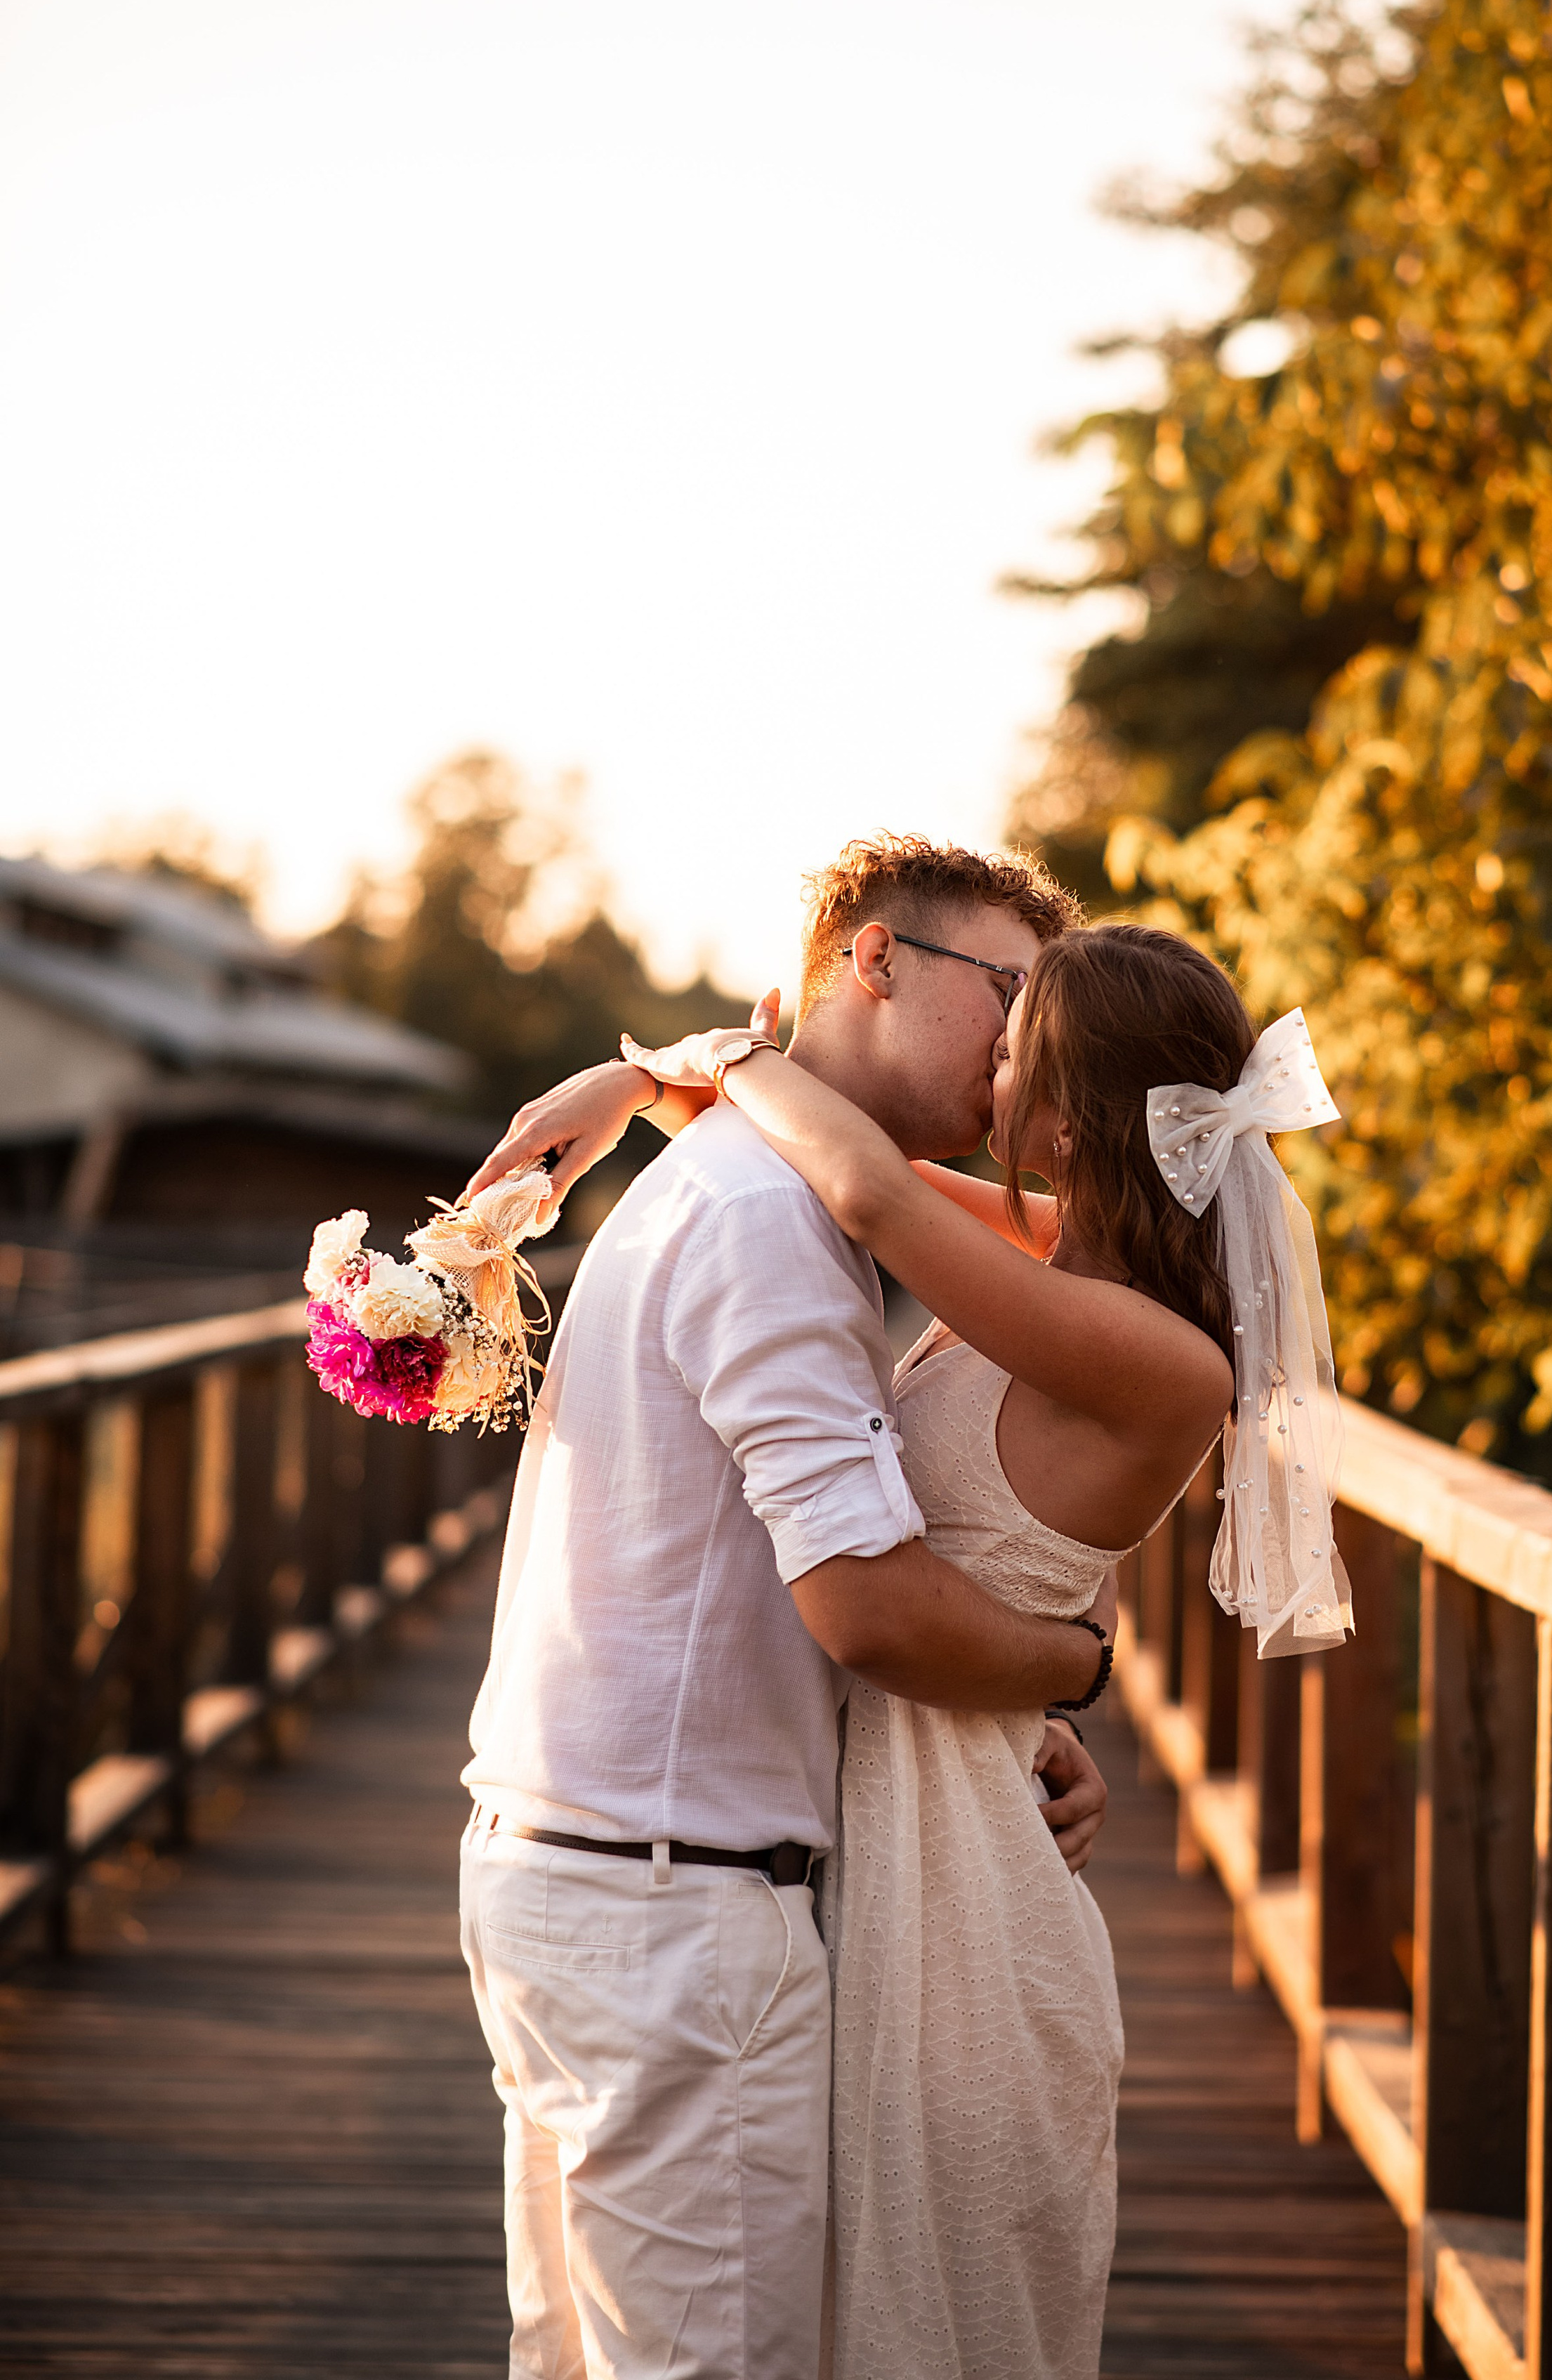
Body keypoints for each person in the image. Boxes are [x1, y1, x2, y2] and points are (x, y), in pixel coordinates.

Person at [623, 921, 1343, 2380]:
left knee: (936, 2320)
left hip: (964, 1905)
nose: (987, 1054)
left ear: (1068, 1117)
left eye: (1016, 1042)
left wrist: (733, 1047)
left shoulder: (1160, 1351)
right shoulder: (1042, 1252)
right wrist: (637, 1091)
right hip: (897, 1828)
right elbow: (810, 1160)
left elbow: (865, 1188)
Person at [455, 837, 1117, 2380]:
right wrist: (1069, 1666)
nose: (1018, 1048)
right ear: (872, 961)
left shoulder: (739, 1179)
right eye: (1003, 994)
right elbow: (870, 1613)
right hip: (675, 1920)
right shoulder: (769, 1221)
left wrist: (1005, 1723)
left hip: (568, 1874)